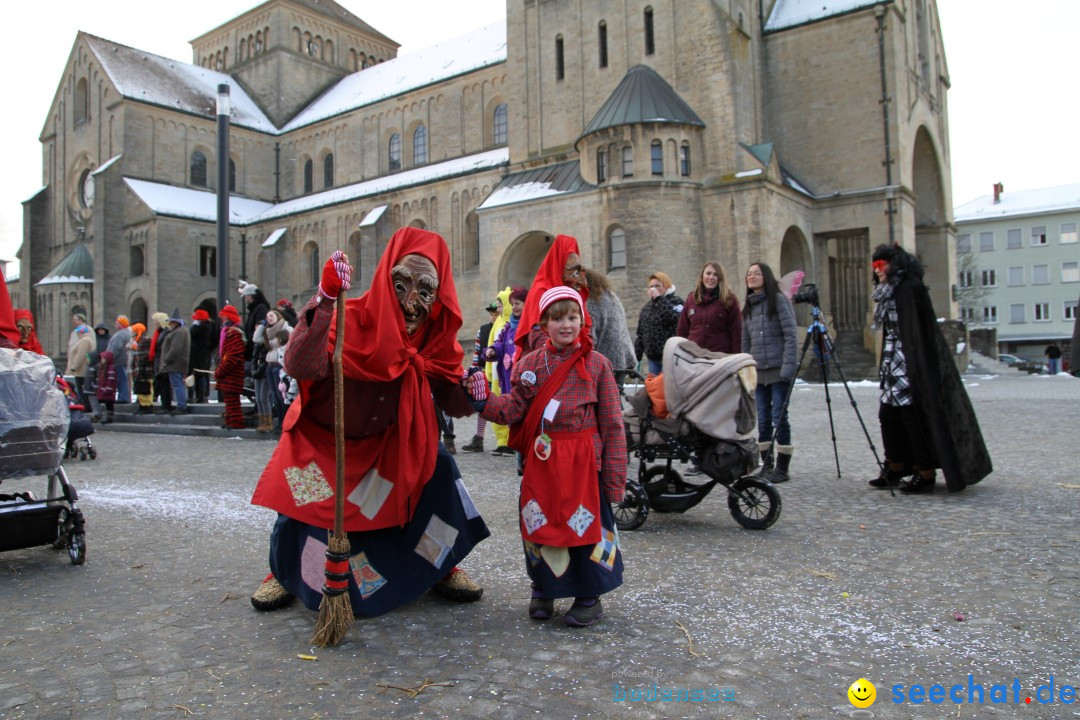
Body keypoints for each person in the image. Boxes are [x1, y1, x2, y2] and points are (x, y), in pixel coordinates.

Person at [249, 228, 489, 615]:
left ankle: (441, 563)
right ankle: (282, 571)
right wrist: (324, 300)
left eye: (426, 291)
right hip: (323, 439)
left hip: (384, 447)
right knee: (300, 493)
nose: (412, 303)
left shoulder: (433, 337)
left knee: (439, 469)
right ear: (384, 278)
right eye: (402, 285)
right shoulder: (349, 317)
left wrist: (471, 393)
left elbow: (451, 398)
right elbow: (300, 364)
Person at [469, 286, 625, 627]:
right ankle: (544, 588)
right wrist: (485, 401)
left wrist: (614, 481)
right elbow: (514, 407)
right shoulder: (528, 365)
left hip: (583, 464)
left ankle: (589, 595)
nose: (566, 325)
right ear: (543, 324)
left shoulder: (598, 365)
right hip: (543, 461)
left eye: (572, 317)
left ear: (582, 321)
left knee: (584, 526)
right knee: (538, 522)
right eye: (558, 318)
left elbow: (613, 425)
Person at [869, 243, 992, 493]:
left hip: (910, 359)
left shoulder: (909, 287)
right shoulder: (886, 291)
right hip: (894, 358)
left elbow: (918, 329)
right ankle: (895, 465)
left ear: (895, 265)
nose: (878, 270)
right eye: (875, 265)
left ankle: (924, 471)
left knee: (911, 416)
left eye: (882, 265)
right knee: (888, 415)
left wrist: (915, 362)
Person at [741, 262, 798, 483]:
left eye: (756, 273)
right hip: (758, 371)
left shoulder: (779, 300)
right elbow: (745, 341)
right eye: (749, 273)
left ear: (766, 276)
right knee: (763, 419)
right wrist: (745, 366)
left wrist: (788, 366)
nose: (752, 276)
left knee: (779, 417)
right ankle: (767, 465)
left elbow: (791, 334)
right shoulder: (748, 306)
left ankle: (782, 468)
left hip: (778, 369)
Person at [515, 235, 590, 358]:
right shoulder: (541, 290)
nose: (574, 275)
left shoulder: (572, 289)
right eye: (571, 270)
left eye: (577, 271)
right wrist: (558, 357)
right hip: (545, 359)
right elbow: (537, 332)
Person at [483, 286, 528, 456]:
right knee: (510, 408)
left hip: (525, 376)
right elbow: (499, 342)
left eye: (518, 303)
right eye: (513, 303)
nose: (515, 307)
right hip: (506, 375)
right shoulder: (508, 326)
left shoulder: (531, 325)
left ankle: (523, 445)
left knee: (524, 411)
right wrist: (493, 351)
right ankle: (514, 445)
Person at [461, 298, 502, 453]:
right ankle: (479, 438)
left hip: (500, 374)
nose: (493, 316)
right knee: (481, 408)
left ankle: (506, 440)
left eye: (495, 313)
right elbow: (478, 352)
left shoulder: (504, 327)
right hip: (485, 373)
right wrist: (473, 372)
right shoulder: (483, 330)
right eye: (491, 314)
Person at [677, 261, 741, 354]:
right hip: (694, 357)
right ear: (702, 276)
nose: (711, 277)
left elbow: (736, 332)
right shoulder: (691, 299)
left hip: (720, 357)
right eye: (708, 273)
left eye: (715, 274)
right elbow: (682, 330)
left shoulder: (729, 299)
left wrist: (736, 357)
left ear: (720, 278)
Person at [583, 268, 636, 371]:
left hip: (607, 359)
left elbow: (591, 333)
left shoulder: (592, 300)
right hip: (624, 355)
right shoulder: (612, 296)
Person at [634, 271, 684, 375]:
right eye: (651, 286)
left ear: (666, 286)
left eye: (657, 286)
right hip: (652, 358)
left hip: (670, 356)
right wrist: (636, 356)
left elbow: (675, 318)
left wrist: (659, 300)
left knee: (668, 388)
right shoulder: (647, 308)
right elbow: (641, 333)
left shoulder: (676, 302)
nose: (654, 288)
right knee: (655, 388)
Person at [215, 304, 247, 430]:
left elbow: (233, 357)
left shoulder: (233, 334)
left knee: (232, 399)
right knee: (229, 400)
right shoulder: (228, 332)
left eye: (223, 316)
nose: (222, 318)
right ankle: (231, 420)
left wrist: (220, 370)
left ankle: (236, 421)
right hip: (228, 373)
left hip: (232, 373)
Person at [261, 309, 292, 432]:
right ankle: (279, 422)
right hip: (270, 365)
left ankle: (285, 422)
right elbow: (256, 338)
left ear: (278, 316)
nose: (269, 317)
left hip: (280, 365)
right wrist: (263, 325)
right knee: (275, 396)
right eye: (267, 316)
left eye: (271, 315)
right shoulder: (268, 331)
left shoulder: (286, 328)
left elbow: (295, 340)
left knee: (281, 396)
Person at [161, 312, 191, 415]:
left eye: (171, 323)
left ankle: (181, 406)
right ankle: (182, 404)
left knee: (177, 384)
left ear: (175, 323)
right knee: (179, 384)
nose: (169, 325)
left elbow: (175, 349)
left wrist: (166, 360)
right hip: (179, 362)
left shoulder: (178, 332)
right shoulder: (183, 331)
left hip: (175, 363)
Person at [189, 308, 216, 404]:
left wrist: (194, 326)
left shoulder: (202, 327)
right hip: (204, 353)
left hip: (199, 354)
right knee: (202, 375)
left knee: (200, 375)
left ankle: (200, 396)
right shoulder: (209, 326)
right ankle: (202, 395)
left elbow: (191, 333)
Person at [64, 323, 96, 406]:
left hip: (81, 370)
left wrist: (74, 367)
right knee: (83, 389)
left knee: (81, 389)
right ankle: (85, 404)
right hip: (81, 369)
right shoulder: (85, 339)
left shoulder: (84, 340)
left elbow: (80, 355)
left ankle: (85, 405)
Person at [149, 312, 173, 413]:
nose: (154, 323)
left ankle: (166, 405)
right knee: (161, 383)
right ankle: (164, 405)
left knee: (164, 384)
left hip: (162, 361)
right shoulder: (159, 332)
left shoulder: (165, 332)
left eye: (155, 321)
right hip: (158, 360)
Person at [107, 315, 133, 404]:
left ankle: (123, 397)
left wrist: (109, 357)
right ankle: (124, 396)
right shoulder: (127, 333)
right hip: (123, 360)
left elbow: (116, 347)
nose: (115, 324)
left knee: (121, 379)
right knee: (123, 378)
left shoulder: (120, 334)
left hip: (118, 360)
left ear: (121, 324)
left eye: (117, 323)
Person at [131, 322, 155, 414]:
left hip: (145, 369)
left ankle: (148, 406)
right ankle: (142, 405)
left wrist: (142, 362)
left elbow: (148, 355)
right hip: (138, 369)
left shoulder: (146, 341)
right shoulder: (137, 342)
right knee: (140, 389)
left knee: (147, 388)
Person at [96, 350, 118, 423]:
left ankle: (109, 417)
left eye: (103, 358)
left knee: (109, 405)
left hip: (108, 391)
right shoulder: (103, 368)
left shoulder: (110, 368)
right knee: (106, 404)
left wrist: (107, 389)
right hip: (104, 390)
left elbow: (111, 380)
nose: (102, 360)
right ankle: (107, 416)